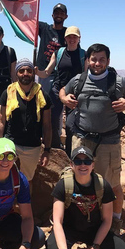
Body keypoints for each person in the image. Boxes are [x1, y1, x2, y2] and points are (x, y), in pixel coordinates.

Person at [59, 43, 125, 234]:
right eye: (94, 59)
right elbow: (62, 91)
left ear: (108, 61)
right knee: (79, 181)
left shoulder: (117, 81)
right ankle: (80, 220)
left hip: (109, 141)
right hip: (82, 139)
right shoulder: (79, 79)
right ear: (88, 60)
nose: (97, 63)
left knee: (112, 184)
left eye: (101, 59)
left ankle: (115, 223)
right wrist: (65, 99)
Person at [44, 146, 125, 249]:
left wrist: (95, 247)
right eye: (78, 161)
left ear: (93, 165)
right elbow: (57, 221)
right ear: (71, 165)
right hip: (69, 229)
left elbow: (107, 221)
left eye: (87, 162)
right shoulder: (64, 184)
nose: (83, 165)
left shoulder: (102, 185)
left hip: (94, 230)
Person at [0, 58, 52, 184]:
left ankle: (25, 203)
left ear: (33, 73)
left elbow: (47, 125)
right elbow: (1, 121)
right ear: (17, 73)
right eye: (22, 70)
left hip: (33, 145)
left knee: (27, 181)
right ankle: (7, 203)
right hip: (11, 143)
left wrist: (47, 150)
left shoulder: (43, 95)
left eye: (29, 70)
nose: (25, 73)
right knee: (4, 176)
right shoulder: (8, 93)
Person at [36, 26, 87, 154]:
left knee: (71, 125)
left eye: (74, 36)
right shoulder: (58, 53)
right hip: (57, 91)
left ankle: (70, 153)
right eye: (69, 36)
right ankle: (54, 149)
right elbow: (47, 72)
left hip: (74, 95)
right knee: (52, 122)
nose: (72, 39)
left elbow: (86, 75)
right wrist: (37, 72)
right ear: (65, 38)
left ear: (79, 38)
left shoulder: (83, 55)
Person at [36, 3, 68, 95]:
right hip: (43, 73)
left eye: (61, 13)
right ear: (52, 15)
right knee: (42, 103)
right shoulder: (44, 28)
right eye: (56, 13)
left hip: (60, 76)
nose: (58, 15)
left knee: (57, 105)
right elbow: (28, 20)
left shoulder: (68, 34)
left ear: (66, 16)